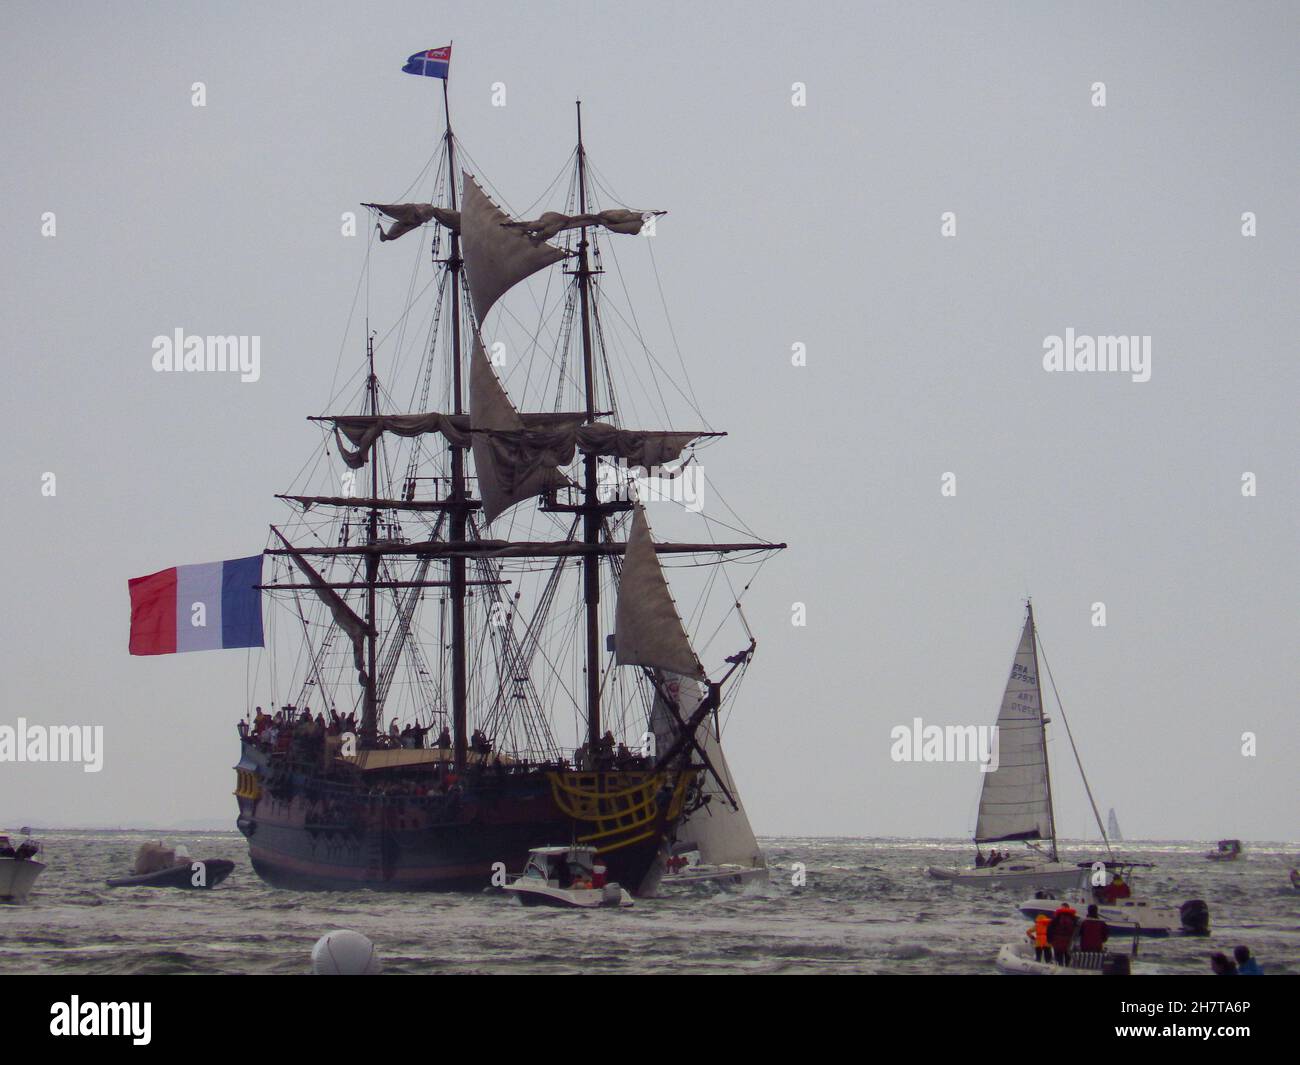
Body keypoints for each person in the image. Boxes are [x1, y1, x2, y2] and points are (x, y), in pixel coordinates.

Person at [1046, 902, 1078, 966]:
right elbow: (1077, 930)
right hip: (1069, 941)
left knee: (1059, 958)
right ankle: (1068, 969)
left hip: (1057, 941)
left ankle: (1059, 968)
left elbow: (1049, 929)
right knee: (1068, 957)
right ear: (1068, 908)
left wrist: (1049, 940)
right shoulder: (1074, 918)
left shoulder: (1056, 918)